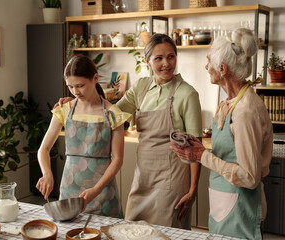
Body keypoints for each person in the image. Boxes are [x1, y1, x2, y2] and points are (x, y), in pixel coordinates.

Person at [55, 34, 203, 229]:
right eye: (158, 58)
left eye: (171, 56)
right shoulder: (141, 87)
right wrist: (77, 103)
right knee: (130, 230)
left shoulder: (188, 93)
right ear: (147, 60)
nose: (166, 63)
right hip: (142, 177)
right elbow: (110, 113)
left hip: (172, 181)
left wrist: (192, 190)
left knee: (166, 234)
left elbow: (196, 148)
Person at [170, 28, 273, 239]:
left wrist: (201, 156)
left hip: (239, 207)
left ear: (223, 69)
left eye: (209, 61)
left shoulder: (245, 111)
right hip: (224, 203)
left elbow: (249, 177)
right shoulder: (230, 103)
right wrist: (197, 147)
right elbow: (229, 152)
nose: (206, 66)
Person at [36, 55, 130, 218]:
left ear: (95, 79)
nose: (75, 91)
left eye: (80, 85)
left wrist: (96, 190)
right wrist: (47, 174)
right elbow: (43, 149)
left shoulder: (113, 114)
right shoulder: (64, 109)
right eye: (70, 87)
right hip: (70, 191)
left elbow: (117, 160)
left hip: (103, 193)